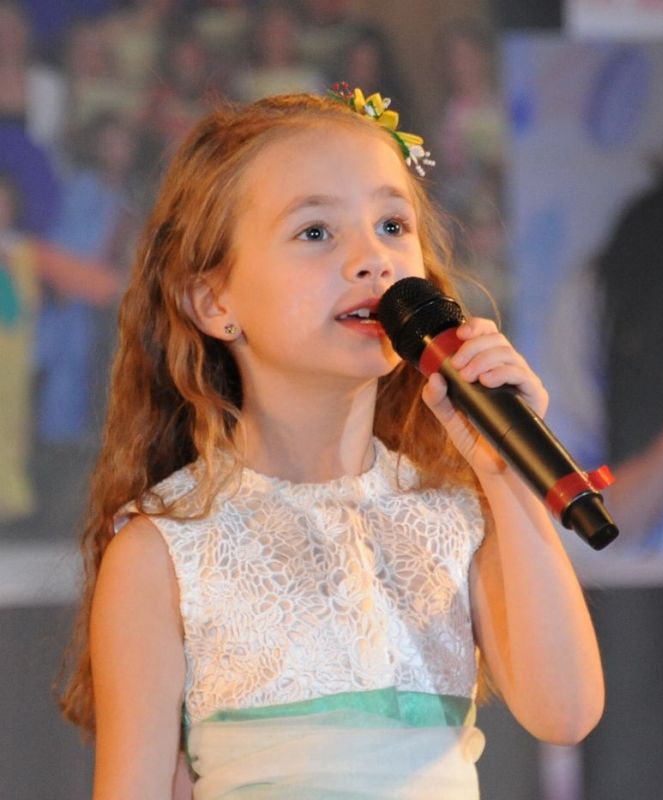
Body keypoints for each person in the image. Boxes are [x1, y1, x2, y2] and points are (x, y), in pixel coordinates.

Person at [59, 89, 604, 799]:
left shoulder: (453, 514)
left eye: (392, 225)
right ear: (213, 301)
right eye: (316, 231)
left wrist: (504, 476)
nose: (373, 259)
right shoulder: (168, 546)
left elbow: (565, 711)